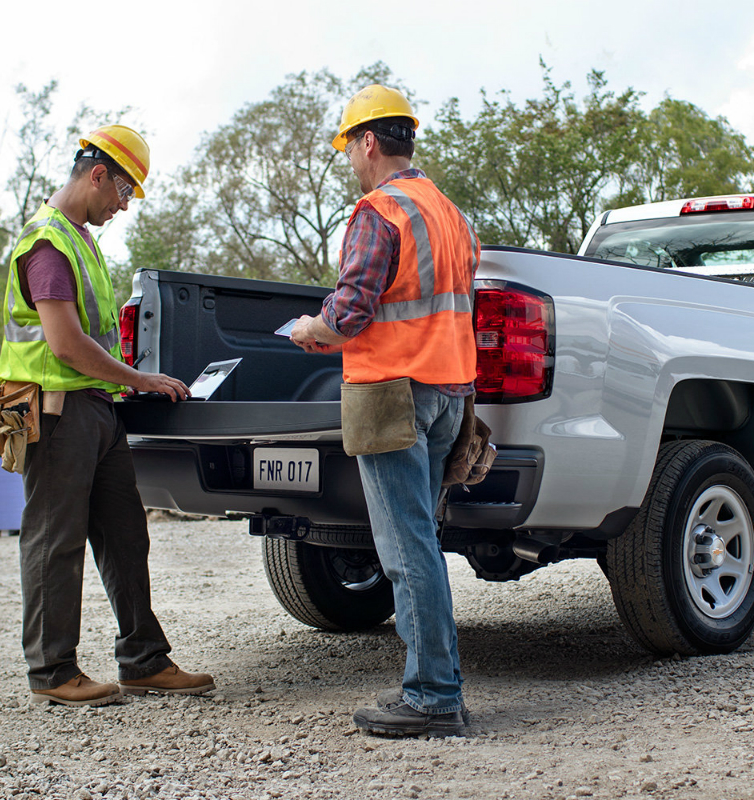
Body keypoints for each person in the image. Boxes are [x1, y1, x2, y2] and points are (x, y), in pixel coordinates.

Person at [0, 124, 214, 707]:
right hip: (57, 411)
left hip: (97, 409)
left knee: (124, 536)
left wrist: (128, 385)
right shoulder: (47, 243)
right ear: (98, 174)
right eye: (122, 192)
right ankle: (52, 672)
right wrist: (139, 379)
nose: (122, 206)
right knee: (55, 541)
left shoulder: (81, 239)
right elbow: (65, 343)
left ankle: (143, 660)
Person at [290, 85, 479, 737]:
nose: (349, 159)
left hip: (392, 392)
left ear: (367, 141)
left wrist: (310, 330)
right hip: (447, 393)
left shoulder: (378, 211)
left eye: (348, 146)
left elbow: (350, 313)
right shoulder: (448, 213)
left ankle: (432, 696)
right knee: (420, 540)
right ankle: (437, 683)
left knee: (404, 547)